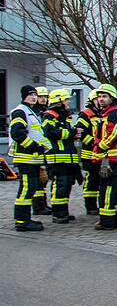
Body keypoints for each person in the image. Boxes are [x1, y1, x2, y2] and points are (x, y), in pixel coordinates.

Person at [9, 85, 48, 231]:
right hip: (26, 158)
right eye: (30, 95)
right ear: (24, 96)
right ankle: (21, 221)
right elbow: (17, 133)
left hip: (33, 158)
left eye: (34, 95)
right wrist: (33, 146)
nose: (33, 97)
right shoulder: (20, 111)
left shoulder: (31, 112)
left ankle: (25, 219)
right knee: (26, 189)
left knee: (29, 189)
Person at [92, 85, 117, 230]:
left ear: (112, 98)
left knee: (107, 191)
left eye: (104, 96)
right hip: (112, 159)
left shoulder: (114, 114)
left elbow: (113, 135)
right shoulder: (107, 114)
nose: (101, 99)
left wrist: (99, 146)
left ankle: (107, 221)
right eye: (99, 96)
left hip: (111, 160)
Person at [41, 89, 79, 224]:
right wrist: (71, 133)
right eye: (66, 99)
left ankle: (63, 212)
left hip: (67, 158)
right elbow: (50, 132)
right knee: (60, 186)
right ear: (59, 102)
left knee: (67, 186)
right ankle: (58, 214)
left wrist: (72, 134)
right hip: (57, 158)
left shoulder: (64, 116)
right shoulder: (49, 116)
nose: (68, 102)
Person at [75, 89, 102, 215]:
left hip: (102, 152)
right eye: (97, 99)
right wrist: (94, 143)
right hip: (89, 153)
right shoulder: (85, 114)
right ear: (92, 101)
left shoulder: (104, 113)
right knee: (92, 180)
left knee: (102, 180)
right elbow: (81, 133)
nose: (100, 101)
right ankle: (90, 206)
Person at [30, 86, 52, 216]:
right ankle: (38, 206)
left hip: (44, 149)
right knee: (38, 180)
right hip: (36, 150)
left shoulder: (44, 112)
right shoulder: (34, 112)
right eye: (40, 97)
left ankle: (43, 204)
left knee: (44, 179)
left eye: (45, 97)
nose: (43, 99)